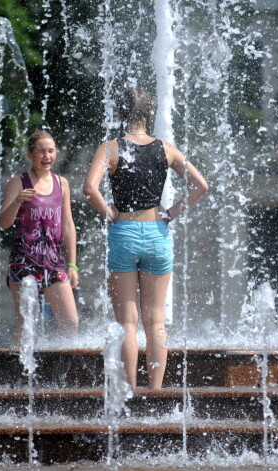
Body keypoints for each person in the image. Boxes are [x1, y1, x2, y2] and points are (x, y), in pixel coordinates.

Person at [83, 87, 208, 390]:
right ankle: (155, 392)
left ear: (121, 113)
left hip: (124, 233)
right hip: (157, 234)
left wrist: (110, 213)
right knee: (156, 322)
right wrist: (173, 212)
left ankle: (130, 392)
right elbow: (201, 185)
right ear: (149, 113)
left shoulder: (110, 148)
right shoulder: (166, 149)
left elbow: (90, 188)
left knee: (127, 321)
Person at [0, 130, 79, 344]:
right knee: (26, 324)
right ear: (30, 154)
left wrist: (72, 265)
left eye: (51, 151)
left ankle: (63, 373)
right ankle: (16, 372)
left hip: (54, 262)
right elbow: (3, 223)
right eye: (41, 152)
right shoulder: (18, 182)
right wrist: (17, 201)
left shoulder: (62, 184)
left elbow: (68, 225)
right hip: (24, 262)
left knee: (70, 322)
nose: (47, 157)